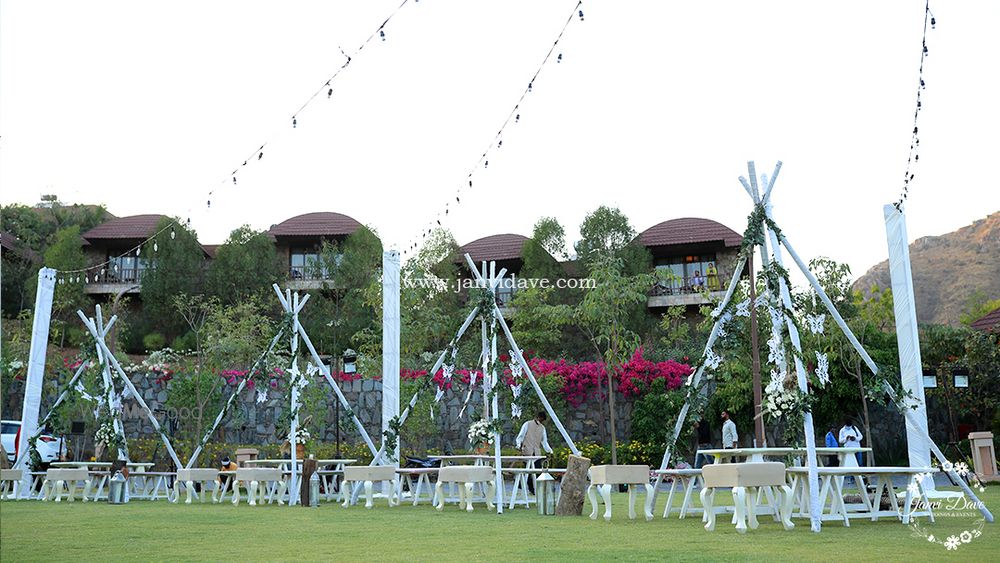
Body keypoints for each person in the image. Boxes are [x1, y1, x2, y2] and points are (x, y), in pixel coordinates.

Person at [516, 412, 553, 494]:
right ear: (537, 417)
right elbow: (521, 436)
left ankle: (527, 486)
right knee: (528, 471)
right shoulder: (527, 424)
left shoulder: (542, 428)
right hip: (527, 451)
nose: (540, 420)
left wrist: (550, 451)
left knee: (537, 471)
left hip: (536, 453)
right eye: (540, 418)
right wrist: (519, 445)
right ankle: (530, 488)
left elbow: (544, 442)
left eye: (542, 419)